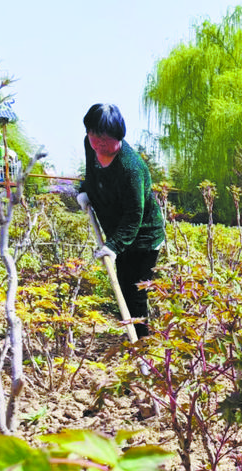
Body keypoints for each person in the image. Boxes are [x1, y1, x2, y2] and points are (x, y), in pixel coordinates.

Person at [77, 103, 165, 339]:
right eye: (95, 136)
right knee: (125, 287)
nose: (99, 144)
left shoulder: (131, 167)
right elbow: (92, 172)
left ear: (119, 136)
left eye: (106, 139)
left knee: (135, 291)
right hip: (118, 230)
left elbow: (134, 214)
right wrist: (85, 189)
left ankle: (143, 346)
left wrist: (113, 246)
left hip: (144, 236)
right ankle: (135, 336)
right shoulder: (90, 144)